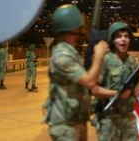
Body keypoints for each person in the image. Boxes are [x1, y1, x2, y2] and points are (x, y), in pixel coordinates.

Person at [42, 5, 116, 141]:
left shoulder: (71, 52)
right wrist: (98, 56)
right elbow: (89, 82)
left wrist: (95, 61)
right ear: (73, 27)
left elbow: (91, 86)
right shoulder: (62, 55)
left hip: (76, 119)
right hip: (65, 124)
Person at [91, 22, 139, 141]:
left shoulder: (132, 62)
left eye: (126, 36)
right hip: (109, 119)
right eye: (119, 36)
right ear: (112, 40)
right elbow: (94, 89)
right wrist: (117, 94)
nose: (123, 39)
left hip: (127, 117)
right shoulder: (105, 60)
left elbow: (136, 93)